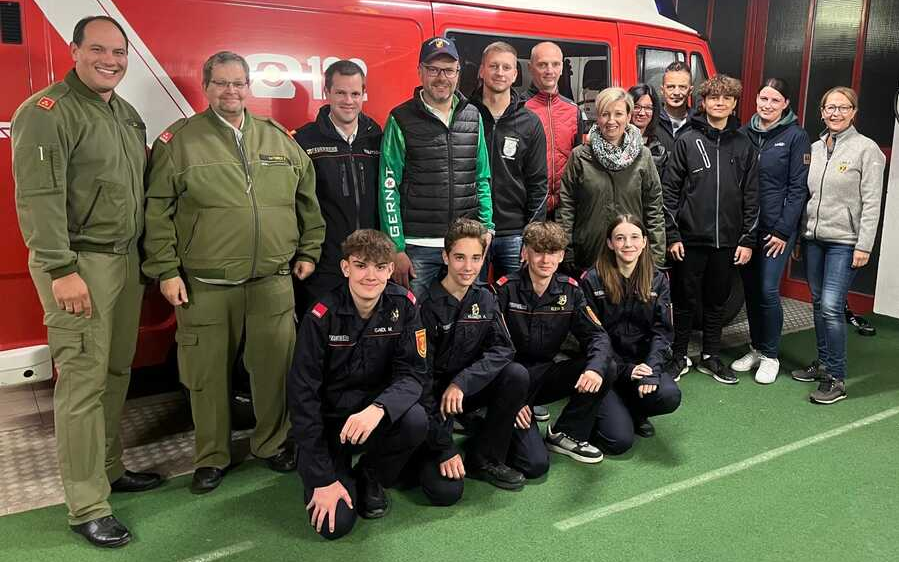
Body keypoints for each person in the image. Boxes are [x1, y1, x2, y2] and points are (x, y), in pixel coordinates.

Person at [142, 51, 325, 494]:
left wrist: (309, 249)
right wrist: (165, 270)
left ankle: (272, 444)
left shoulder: (279, 139)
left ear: (249, 87)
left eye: (239, 83)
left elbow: (307, 199)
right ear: (206, 88)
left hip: (271, 282)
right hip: (205, 284)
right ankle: (212, 457)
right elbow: (157, 211)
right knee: (206, 376)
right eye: (222, 83)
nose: (231, 91)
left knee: (275, 370)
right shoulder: (179, 142)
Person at [11, 15, 162, 548]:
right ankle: (86, 505)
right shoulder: (46, 112)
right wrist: (60, 269)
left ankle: (110, 469)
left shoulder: (125, 114)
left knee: (116, 371)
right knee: (81, 383)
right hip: (78, 264)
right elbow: (38, 198)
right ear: (74, 50)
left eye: (119, 52)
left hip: (123, 263)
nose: (111, 60)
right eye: (98, 49)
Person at [288, 229, 428, 540]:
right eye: (361, 265)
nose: (371, 276)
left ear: (391, 270)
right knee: (334, 525)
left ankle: (370, 474)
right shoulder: (321, 316)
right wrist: (323, 478)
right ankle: (334, 472)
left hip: (371, 419)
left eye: (380, 267)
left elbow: (414, 374)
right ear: (346, 268)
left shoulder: (404, 306)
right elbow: (302, 397)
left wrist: (379, 408)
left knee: (416, 420)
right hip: (330, 427)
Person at [413, 219, 528, 504]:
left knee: (516, 375)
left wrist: (462, 382)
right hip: (430, 400)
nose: (468, 267)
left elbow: (504, 349)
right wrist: (444, 448)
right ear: (445, 257)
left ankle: (485, 459)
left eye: (476, 258)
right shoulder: (424, 307)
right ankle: (428, 450)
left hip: (463, 391)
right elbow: (420, 381)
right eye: (460, 257)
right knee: (446, 493)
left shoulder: (485, 297)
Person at [495, 222, 612, 477]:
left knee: (605, 366)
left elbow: (598, 337)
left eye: (552, 252)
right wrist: (512, 399)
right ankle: (491, 418)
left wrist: (593, 369)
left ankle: (566, 432)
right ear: (525, 252)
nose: (545, 259)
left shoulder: (570, 290)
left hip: (544, 377)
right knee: (535, 465)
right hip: (510, 380)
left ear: (561, 255)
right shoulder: (504, 289)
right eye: (538, 251)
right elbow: (491, 349)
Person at [379, 36, 494, 297]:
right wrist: (396, 248)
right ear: (420, 71)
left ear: (458, 73)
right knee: (413, 322)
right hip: (417, 247)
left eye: (448, 70)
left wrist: (486, 229)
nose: (441, 77)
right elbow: (388, 186)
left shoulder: (472, 115)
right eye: (433, 69)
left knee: (464, 322)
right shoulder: (400, 118)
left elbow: (482, 177)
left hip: (465, 245)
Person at [662, 74, 758, 384]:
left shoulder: (744, 144)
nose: (720, 102)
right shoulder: (687, 140)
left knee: (717, 301)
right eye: (714, 97)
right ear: (703, 102)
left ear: (733, 103)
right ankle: (678, 356)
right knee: (685, 300)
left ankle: (710, 357)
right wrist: (673, 234)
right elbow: (669, 191)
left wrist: (747, 239)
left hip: (728, 240)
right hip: (689, 240)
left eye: (726, 98)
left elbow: (752, 195)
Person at [792, 86, 884, 404]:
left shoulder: (867, 150)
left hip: (846, 243)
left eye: (842, 108)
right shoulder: (815, 148)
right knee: (818, 304)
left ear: (854, 112)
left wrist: (864, 246)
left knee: (832, 307)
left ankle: (837, 378)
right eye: (829, 107)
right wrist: (803, 235)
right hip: (815, 239)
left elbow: (872, 203)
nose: (835, 113)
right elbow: (807, 197)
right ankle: (823, 363)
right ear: (821, 112)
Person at [730, 79, 811, 384]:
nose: (767, 105)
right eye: (763, 98)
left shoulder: (796, 137)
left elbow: (797, 188)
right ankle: (755, 347)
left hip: (777, 230)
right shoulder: (743, 133)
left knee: (766, 289)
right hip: (748, 228)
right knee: (750, 291)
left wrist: (782, 229)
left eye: (774, 101)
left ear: (785, 104)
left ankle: (771, 354)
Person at [580, 215, 681, 453]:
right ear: (609, 243)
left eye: (635, 237)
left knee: (669, 395)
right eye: (620, 238)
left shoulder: (658, 279)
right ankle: (607, 410)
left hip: (641, 365)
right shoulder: (591, 280)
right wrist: (625, 371)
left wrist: (651, 371)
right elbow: (591, 337)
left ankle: (633, 410)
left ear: (645, 242)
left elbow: (662, 333)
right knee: (618, 442)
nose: (628, 244)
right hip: (607, 369)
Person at [292, 60, 382, 310]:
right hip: (322, 266)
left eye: (355, 93)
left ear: (364, 94)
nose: (348, 101)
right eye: (341, 92)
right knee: (320, 340)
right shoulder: (304, 140)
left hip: (369, 266)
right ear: (326, 92)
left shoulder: (378, 139)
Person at [557, 87, 666, 276]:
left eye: (618, 114)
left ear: (629, 116)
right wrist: (566, 251)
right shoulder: (580, 156)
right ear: (597, 117)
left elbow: (654, 210)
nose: (611, 121)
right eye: (605, 114)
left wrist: (655, 257)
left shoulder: (643, 156)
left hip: (631, 258)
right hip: (589, 255)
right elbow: (566, 207)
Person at [469, 42, 548, 279]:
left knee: (514, 302)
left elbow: (538, 185)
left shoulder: (530, 122)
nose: (499, 73)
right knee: (472, 304)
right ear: (482, 70)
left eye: (506, 67)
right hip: (472, 231)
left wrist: (531, 237)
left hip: (514, 233)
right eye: (493, 66)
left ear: (515, 74)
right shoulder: (464, 115)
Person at [525, 41, 586, 219]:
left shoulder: (573, 110)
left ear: (561, 68)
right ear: (530, 68)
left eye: (555, 64)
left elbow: (579, 161)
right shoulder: (519, 109)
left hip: (564, 208)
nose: (549, 70)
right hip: (529, 207)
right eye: (542, 64)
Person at [655, 61, 694, 157]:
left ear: (690, 91)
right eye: (671, 87)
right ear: (662, 90)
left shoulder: (699, 124)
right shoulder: (651, 121)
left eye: (682, 87)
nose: (676, 92)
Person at [628, 83, 668, 170]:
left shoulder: (658, 151)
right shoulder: (616, 142)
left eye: (648, 108)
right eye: (636, 107)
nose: (642, 113)